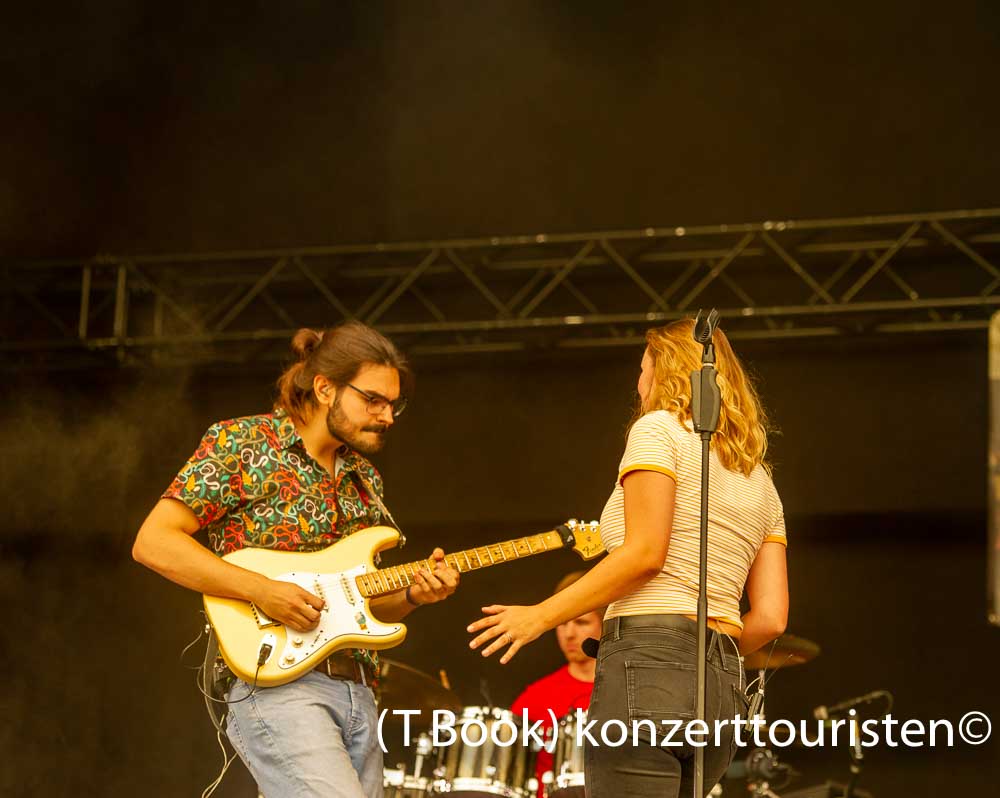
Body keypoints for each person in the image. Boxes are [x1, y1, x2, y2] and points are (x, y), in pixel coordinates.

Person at [133, 321, 460, 798]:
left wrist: (412, 595)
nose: (387, 415)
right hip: (277, 684)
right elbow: (154, 542)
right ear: (325, 388)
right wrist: (262, 591)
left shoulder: (365, 479)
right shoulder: (242, 443)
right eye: (373, 400)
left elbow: (363, 604)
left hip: (359, 691)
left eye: (394, 404)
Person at [468, 319, 788, 798]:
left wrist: (539, 616)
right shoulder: (759, 477)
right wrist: (703, 656)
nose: (639, 384)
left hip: (646, 664)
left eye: (643, 370)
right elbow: (772, 618)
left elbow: (645, 555)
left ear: (666, 372)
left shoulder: (658, 431)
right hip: (722, 685)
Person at [510, 571, 604, 795]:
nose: (569, 633)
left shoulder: (630, 692)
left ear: (606, 623)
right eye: (562, 624)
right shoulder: (535, 698)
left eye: (581, 622)